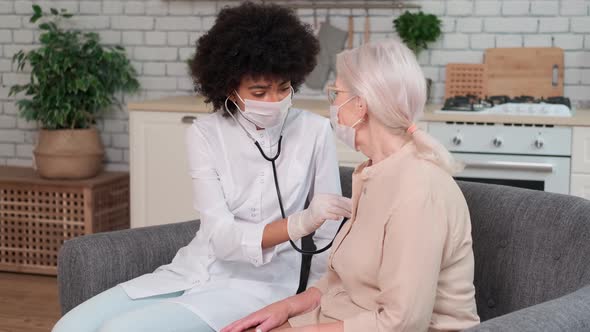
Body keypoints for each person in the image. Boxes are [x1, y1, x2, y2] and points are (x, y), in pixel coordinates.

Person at [52, 2, 351, 331]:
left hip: (259, 287)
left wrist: (314, 298)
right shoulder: (205, 134)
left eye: (283, 89)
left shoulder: (314, 130)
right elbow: (221, 237)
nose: (274, 102)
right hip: (194, 268)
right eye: (259, 91)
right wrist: (298, 223)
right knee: (70, 327)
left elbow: (327, 230)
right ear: (229, 89)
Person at [222, 39, 481, 332]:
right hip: (343, 317)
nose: (332, 107)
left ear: (360, 105)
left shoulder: (418, 191)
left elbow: (402, 322)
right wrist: (283, 309)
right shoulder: (371, 173)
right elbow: (340, 281)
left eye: (336, 95)